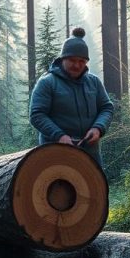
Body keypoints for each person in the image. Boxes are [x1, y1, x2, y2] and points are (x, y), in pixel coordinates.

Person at [29, 27, 115, 167]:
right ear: (63, 58)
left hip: (90, 154)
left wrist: (98, 128)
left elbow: (107, 108)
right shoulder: (47, 83)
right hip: (54, 152)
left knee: (93, 188)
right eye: (72, 60)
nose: (77, 65)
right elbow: (36, 115)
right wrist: (59, 136)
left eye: (82, 61)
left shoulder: (94, 82)